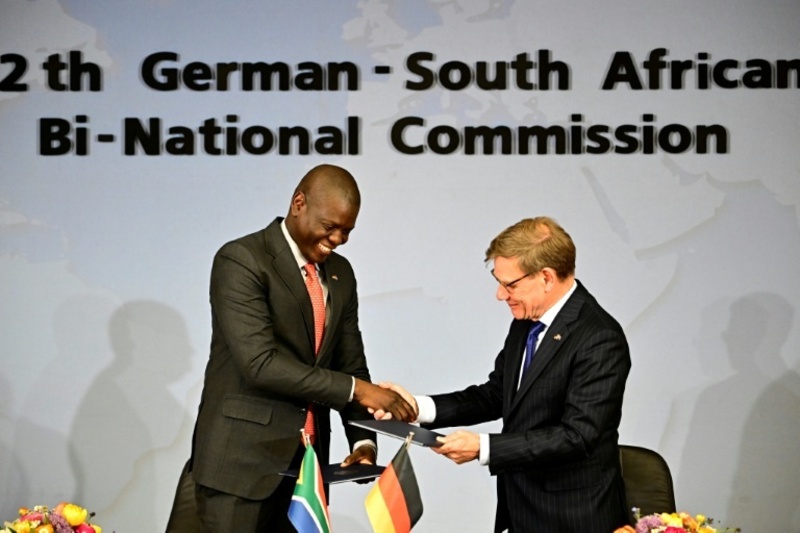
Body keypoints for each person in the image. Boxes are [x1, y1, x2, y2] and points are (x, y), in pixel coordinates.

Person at [185, 164, 416, 532]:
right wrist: (359, 390)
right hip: (240, 471)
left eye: (347, 231)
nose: (338, 239)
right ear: (298, 204)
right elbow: (260, 364)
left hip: (307, 473)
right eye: (330, 226)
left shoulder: (341, 273)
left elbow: (350, 364)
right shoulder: (242, 259)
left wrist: (364, 442)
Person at [380, 216, 631, 533]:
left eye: (510, 285)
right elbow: (497, 394)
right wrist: (416, 408)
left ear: (546, 277)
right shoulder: (526, 321)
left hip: (574, 518)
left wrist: (484, 447)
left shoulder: (599, 337)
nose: (500, 295)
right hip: (521, 510)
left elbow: (577, 436)